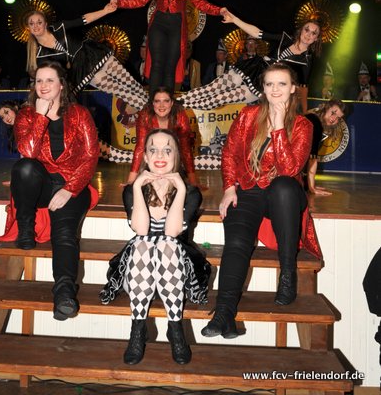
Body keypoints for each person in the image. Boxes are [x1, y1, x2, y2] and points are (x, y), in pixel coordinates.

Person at [201, 62, 322, 339]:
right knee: (236, 243)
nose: (275, 89)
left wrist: (278, 127)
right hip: (248, 189)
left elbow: (290, 169)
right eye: (269, 84)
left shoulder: (303, 125)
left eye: (282, 84)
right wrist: (229, 188)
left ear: (293, 89)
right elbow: (230, 153)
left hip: (284, 199)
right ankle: (224, 314)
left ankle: (287, 273)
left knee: (283, 186)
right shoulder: (248, 115)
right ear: (263, 88)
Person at [100, 129, 211, 365]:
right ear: (146, 157)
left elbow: (171, 232)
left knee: (167, 244)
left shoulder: (190, 193)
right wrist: (137, 187)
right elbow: (141, 229)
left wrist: (180, 190)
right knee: (142, 243)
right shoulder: (132, 190)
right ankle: (137, 331)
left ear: (176, 156)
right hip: (139, 275)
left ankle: (175, 329)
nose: (160, 155)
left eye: (167, 150)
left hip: (177, 275)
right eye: (153, 150)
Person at [6, 61, 100, 320]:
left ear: (61, 85)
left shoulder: (79, 114)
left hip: (72, 184)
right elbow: (28, 152)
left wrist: (70, 189)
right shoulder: (27, 115)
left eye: (50, 80)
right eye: (39, 80)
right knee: (24, 168)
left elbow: (91, 156)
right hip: (41, 185)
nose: (43, 85)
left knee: (65, 234)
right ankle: (26, 227)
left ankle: (64, 293)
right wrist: (40, 117)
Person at [110, 0, 227, 96]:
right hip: (158, 23)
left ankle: (167, 102)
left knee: (171, 66)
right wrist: (119, 2)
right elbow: (141, 0)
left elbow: (200, 2)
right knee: (157, 64)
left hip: (176, 25)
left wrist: (219, 10)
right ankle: (153, 101)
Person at [178, 12, 322, 113]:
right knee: (213, 88)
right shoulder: (285, 39)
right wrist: (235, 20)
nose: (309, 34)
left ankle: (182, 106)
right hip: (253, 68)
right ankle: (178, 101)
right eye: (307, 30)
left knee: (219, 99)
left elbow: (303, 89)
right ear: (301, 30)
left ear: (316, 38)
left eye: (313, 33)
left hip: (263, 85)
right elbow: (257, 33)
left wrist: (304, 114)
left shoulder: (307, 61)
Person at [24, 3, 149, 109]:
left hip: (94, 55)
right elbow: (52, 76)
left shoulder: (59, 27)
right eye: (32, 23)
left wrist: (105, 11)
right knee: (121, 91)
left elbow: (84, 20)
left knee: (130, 83)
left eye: (39, 22)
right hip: (83, 71)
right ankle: (149, 111)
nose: (36, 26)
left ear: (45, 23)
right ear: (28, 27)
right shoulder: (39, 54)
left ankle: (153, 103)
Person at [126, 86, 197, 186]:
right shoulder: (145, 116)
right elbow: (140, 147)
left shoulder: (180, 116)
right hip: (152, 161)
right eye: (157, 101)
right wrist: (130, 181)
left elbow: (186, 149)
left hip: (173, 161)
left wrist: (193, 182)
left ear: (172, 103)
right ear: (153, 103)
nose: (161, 105)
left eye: (166, 101)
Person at [304, 99, 346, 196]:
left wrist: (310, 184)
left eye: (338, 118)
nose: (334, 119)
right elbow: (312, 159)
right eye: (333, 113)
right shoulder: (315, 122)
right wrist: (312, 188)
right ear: (326, 108)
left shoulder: (314, 119)